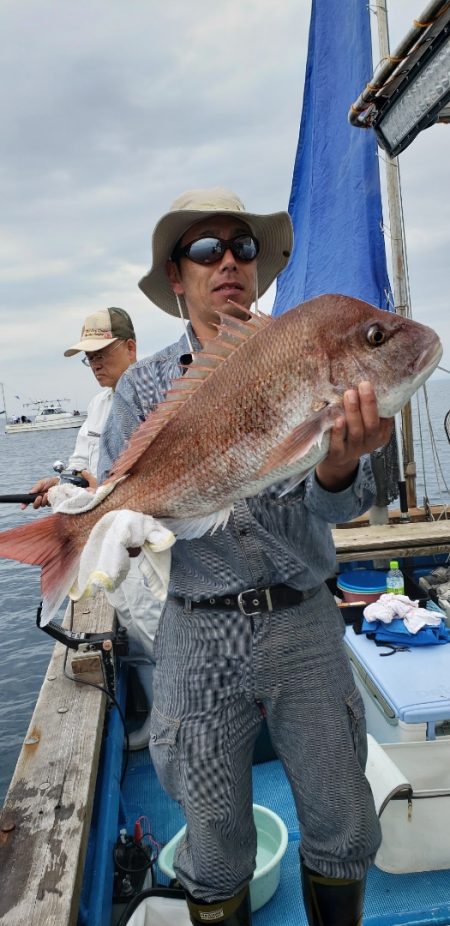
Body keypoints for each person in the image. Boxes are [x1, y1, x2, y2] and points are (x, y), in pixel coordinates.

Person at [98, 189, 393, 926]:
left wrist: (339, 466)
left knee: (343, 821)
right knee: (214, 838)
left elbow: (343, 506)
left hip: (304, 622)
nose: (228, 261)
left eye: (243, 246)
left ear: (258, 266)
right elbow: (117, 496)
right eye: (206, 249)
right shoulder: (142, 387)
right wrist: (114, 522)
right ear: (177, 275)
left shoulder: (313, 351)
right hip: (198, 628)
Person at [27, 307, 161, 750]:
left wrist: (97, 485)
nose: (95, 363)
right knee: (133, 629)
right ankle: (158, 721)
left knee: (156, 629)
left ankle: (175, 723)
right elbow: (81, 464)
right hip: (107, 542)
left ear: (131, 347)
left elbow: (145, 475)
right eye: (89, 357)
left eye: (102, 352)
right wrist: (60, 484)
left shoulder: (155, 395)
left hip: (147, 542)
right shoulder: (99, 405)